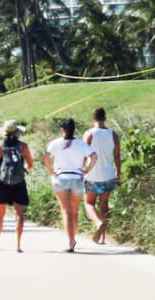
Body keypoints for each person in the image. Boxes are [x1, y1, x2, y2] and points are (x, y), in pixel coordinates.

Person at [45, 119, 98, 252]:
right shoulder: (81, 144)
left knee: (65, 210)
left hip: (61, 177)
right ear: (74, 130)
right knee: (74, 212)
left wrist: (51, 170)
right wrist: (87, 170)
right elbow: (94, 156)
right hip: (77, 178)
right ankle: (73, 237)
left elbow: (46, 157)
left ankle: (70, 241)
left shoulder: (55, 143)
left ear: (62, 130)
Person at [0, 123, 37, 252]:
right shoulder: (23, 146)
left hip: (3, 183)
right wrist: (22, 169)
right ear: (17, 133)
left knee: (0, 214)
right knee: (19, 214)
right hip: (19, 182)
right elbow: (30, 164)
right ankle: (18, 245)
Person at [84, 107, 121, 244]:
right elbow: (117, 157)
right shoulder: (113, 135)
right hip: (108, 175)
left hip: (92, 175)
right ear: (105, 118)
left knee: (89, 203)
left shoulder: (89, 134)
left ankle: (98, 223)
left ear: (93, 119)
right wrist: (118, 174)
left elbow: (84, 154)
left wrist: (82, 170)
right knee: (104, 205)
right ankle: (103, 237)